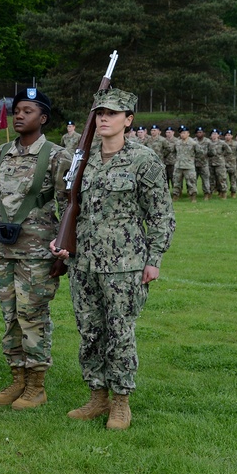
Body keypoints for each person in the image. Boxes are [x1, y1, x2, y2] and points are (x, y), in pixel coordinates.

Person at [52, 88, 175, 430]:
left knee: (119, 332)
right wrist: (61, 240)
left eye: (112, 113)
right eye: (100, 113)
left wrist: (155, 258)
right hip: (83, 263)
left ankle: (121, 402)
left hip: (125, 265)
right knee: (90, 331)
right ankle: (97, 396)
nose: (104, 118)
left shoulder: (143, 160)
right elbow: (66, 204)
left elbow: (162, 214)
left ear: (128, 120)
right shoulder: (82, 158)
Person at [0, 88, 70, 410]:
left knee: (32, 315)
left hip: (37, 252)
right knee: (9, 318)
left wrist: (64, 252)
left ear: (43, 118)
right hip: (5, 249)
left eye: (28, 111)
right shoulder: (3, 151)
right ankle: (17, 380)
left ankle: (36, 386)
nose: (20, 115)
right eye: (17, 110)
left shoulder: (56, 155)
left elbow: (68, 206)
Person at [171, 126, 198, 201]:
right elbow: (173, 152)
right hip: (178, 166)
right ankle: (175, 196)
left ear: (188, 134)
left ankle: (193, 196)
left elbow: (199, 153)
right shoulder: (177, 143)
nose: (182, 134)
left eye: (184, 133)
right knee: (176, 182)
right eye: (181, 133)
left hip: (189, 166)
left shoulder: (193, 143)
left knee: (191, 182)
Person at [209, 129, 230, 199]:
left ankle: (223, 193)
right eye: (213, 134)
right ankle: (210, 193)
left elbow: (229, 151)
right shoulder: (209, 143)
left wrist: (221, 155)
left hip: (220, 163)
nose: (214, 135)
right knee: (211, 179)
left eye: (215, 134)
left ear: (218, 135)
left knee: (221, 179)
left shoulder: (222, 143)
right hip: (210, 163)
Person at [193, 127, 212, 200]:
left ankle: (206, 193)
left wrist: (206, 156)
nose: (199, 133)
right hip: (194, 163)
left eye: (201, 132)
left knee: (205, 180)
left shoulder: (208, 141)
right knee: (193, 180)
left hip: (204, 164)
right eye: (198, 132)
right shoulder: (193, 141)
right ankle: (193, 194)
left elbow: (212, 152)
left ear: (204, 133)